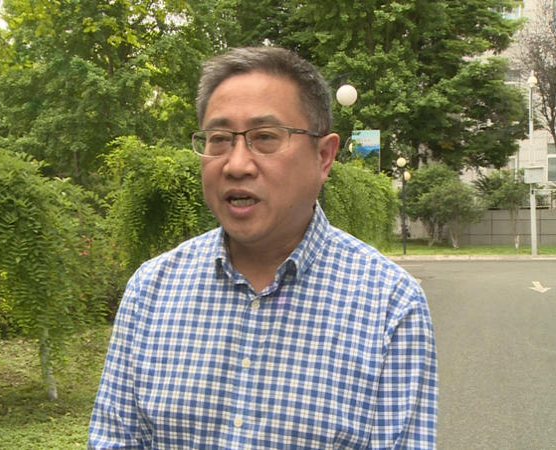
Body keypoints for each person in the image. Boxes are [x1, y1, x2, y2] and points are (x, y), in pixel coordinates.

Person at [88, 46, 437, 449]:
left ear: (324, 157)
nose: (236, 165)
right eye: (219, 139)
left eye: (265, 138)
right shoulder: (151, 290)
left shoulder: (390, 303)